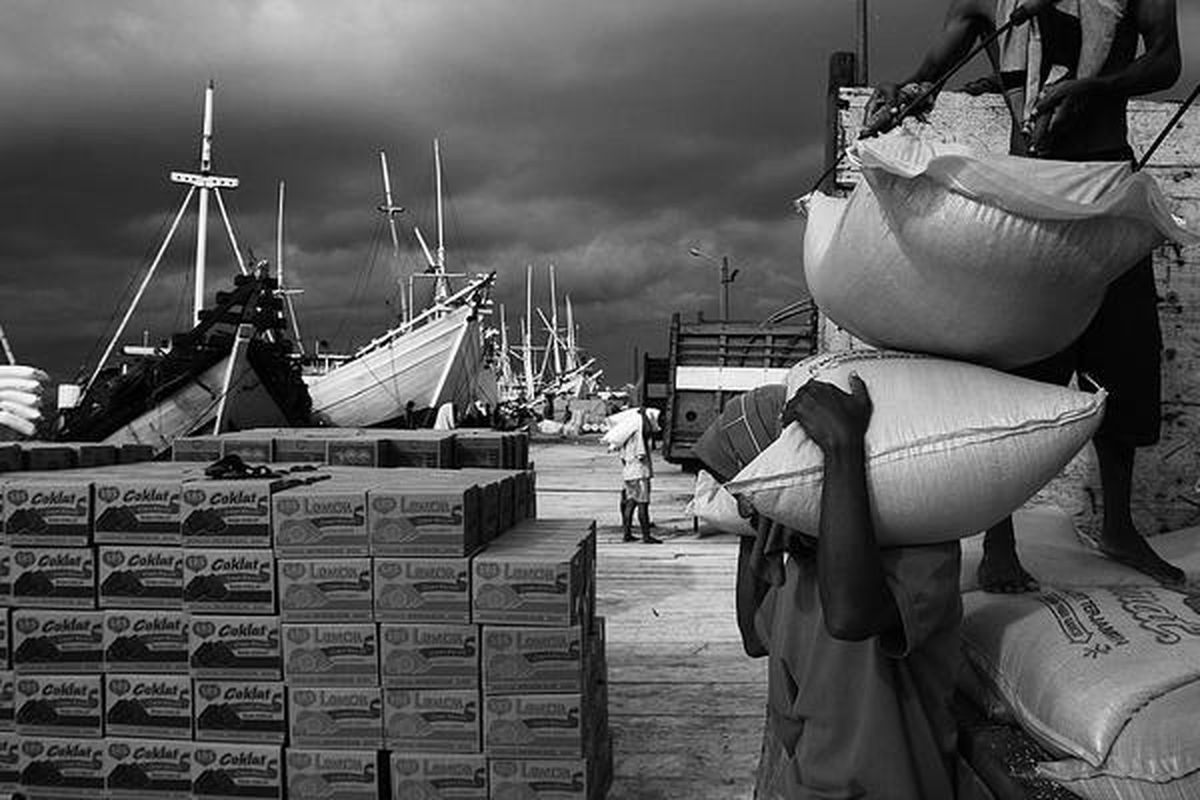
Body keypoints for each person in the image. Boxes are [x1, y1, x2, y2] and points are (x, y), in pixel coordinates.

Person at [866, 0, 1184, 590]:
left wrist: (1096, 87)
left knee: (1127, 360)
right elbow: (935, 65)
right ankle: (999, 540)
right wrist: (908, 90)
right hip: (1029, 189)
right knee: (1018, 367)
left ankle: (1118, 527)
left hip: (1107, 184)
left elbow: (1167, 60)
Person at [738, 375, 981, 798]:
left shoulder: (923, 556)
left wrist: (842, 449)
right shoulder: (798, 569)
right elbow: (753, 638)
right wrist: (754, 523)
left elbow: (851, 615)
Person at [619, 406, 662, 544]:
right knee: (643, 504)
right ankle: (646, 536)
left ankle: (627, 533)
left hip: (628, 473)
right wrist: (643, 415)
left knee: (630, 503)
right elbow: (648, 430)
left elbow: (622, 458)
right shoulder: (639, 435)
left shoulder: (625, 436)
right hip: (640, 473)